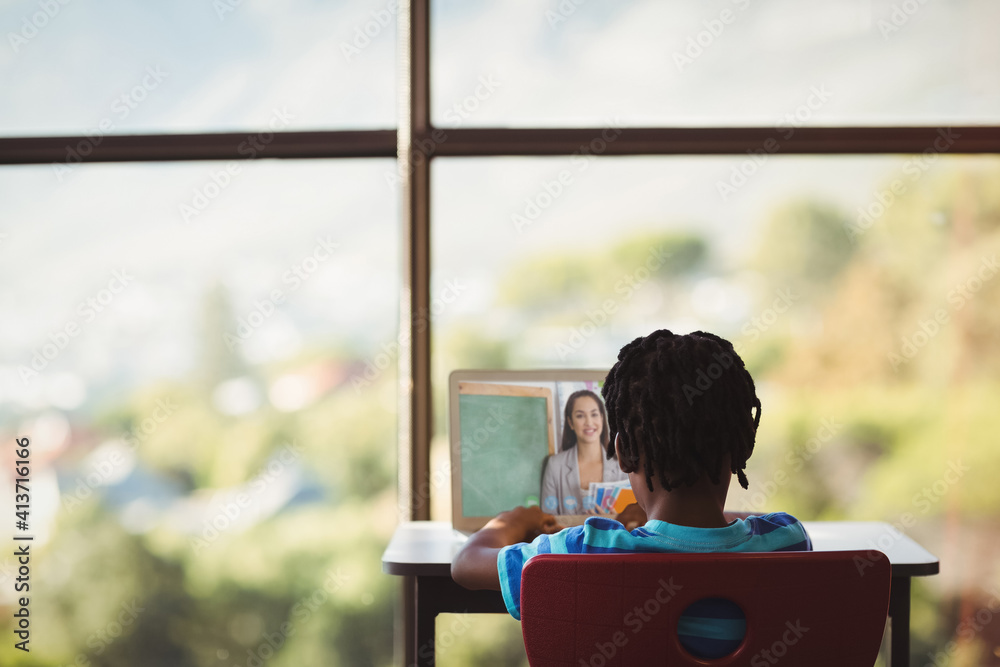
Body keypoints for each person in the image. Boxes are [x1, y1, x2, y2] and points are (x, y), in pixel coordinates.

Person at [451, 329, 812, 660]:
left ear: (621, 452)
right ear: (744, 442)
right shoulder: (788, 541)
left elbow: (466, 564)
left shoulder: (583, 549)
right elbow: (733, 528)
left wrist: (514, 521)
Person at [540, 389, 628, 515]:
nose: (589, 422)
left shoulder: (621, 464)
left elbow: (633, 521)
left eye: (594, 414)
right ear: (570, 422)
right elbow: (547, 522)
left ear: (602, 418)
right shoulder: (555, 465)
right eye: (580, 415)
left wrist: (616, 521)